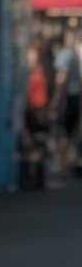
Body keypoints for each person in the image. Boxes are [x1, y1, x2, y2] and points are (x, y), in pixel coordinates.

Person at [51, 28, 81, 175]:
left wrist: (55, 101)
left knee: (62, 131)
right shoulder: (75, 55)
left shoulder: (65, 55)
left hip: (67, 99)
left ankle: (58, 163)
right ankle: (70, 161)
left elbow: (60, 80)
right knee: (71, 132)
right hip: (76, 97)